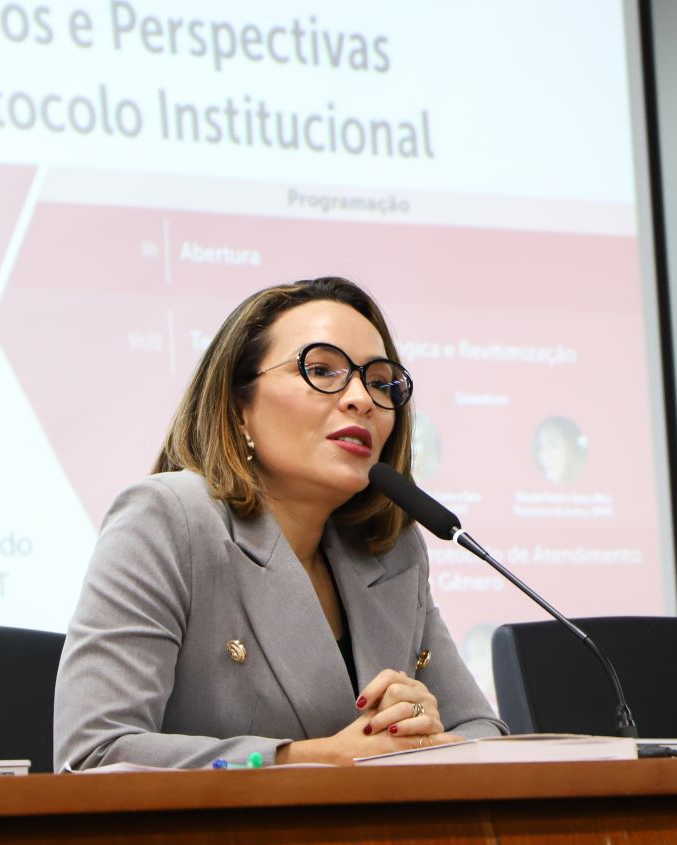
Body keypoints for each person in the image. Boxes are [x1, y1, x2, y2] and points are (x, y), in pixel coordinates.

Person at [54, 277, 505, 769]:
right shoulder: (167, 520)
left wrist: (426, 734)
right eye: (320, 370)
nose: (361, 398)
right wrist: (311, 760)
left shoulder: (392, 552)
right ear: (239, 407)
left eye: (380, 382)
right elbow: (94, 755)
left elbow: (483, 733)